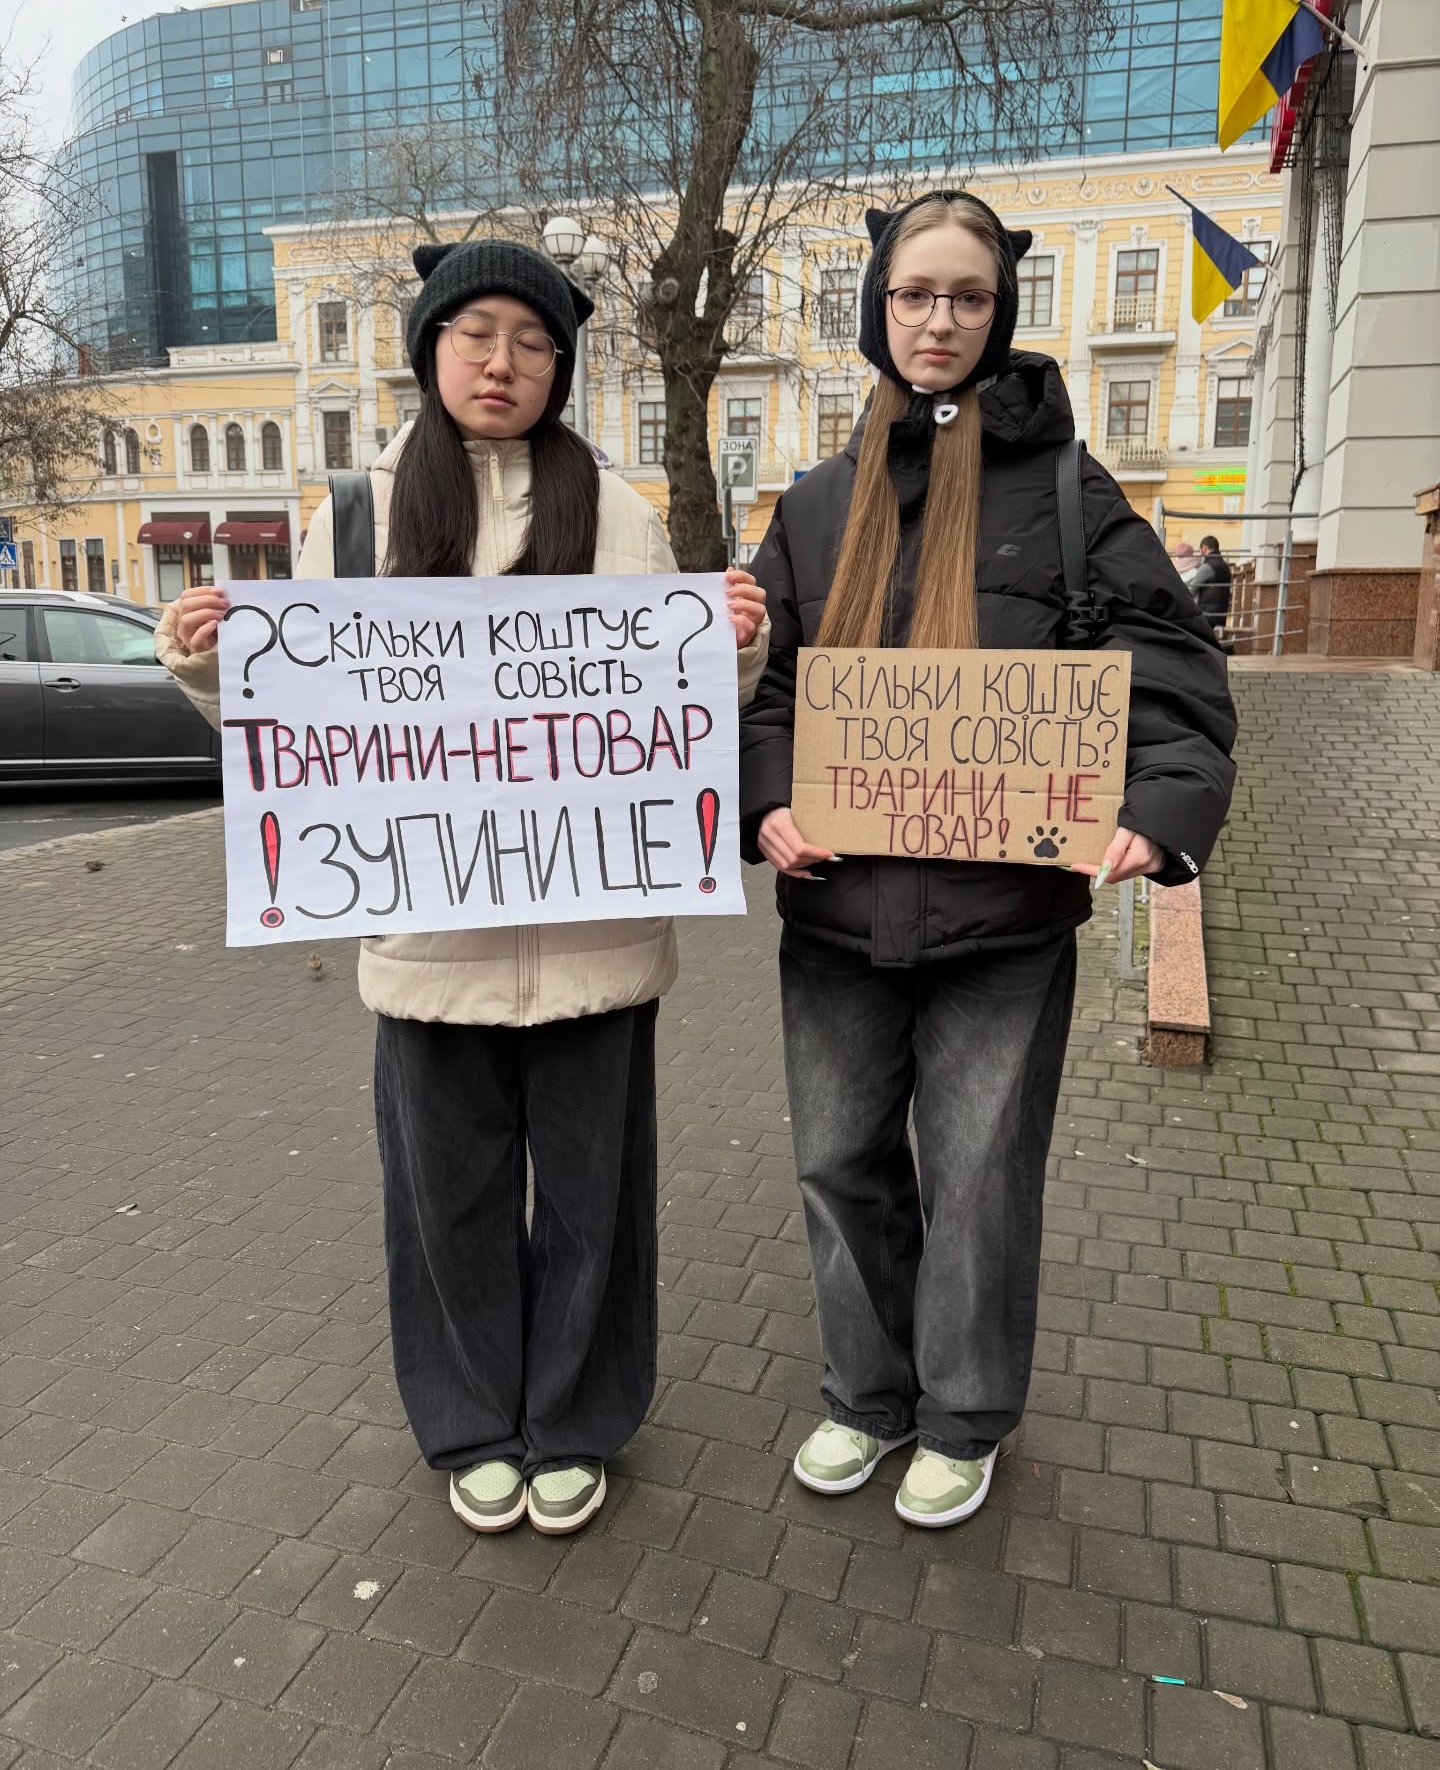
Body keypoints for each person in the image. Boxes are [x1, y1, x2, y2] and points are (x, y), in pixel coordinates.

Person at [158, 239, 769, 1538]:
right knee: (450, 1204)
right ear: (431, 348)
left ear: (562, 365)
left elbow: (676, 712)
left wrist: (737, 652)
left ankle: (576, 1419)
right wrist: (215, 668)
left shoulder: (620, 511)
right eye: (476, 334)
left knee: (597, 1206)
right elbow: (300, 730)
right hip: (428, 949)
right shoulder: (358, 515)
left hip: (600, 940)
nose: (504, 363)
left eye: (534, 342)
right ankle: (475, 1421)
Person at [740, 192, 1235, 1529]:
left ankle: (962, 1418)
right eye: (915, 295)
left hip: (1004, 925)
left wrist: (1162, 807)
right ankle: (866, 1396)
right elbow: (767, 687)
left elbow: (1170, 667)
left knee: (977, 1185)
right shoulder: (818, 502)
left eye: (968, 296)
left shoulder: (1069, 493)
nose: (940, 320)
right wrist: (767, 800)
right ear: (878, 308)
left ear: (1000, 310)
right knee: (838, 1168)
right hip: (835, 915)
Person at [1191, 534, 1233, 629]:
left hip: (1206, 616)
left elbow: (1190, 590)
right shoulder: (1225, 566)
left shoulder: (1207, 567)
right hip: (1221, 616)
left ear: (1204, 548)